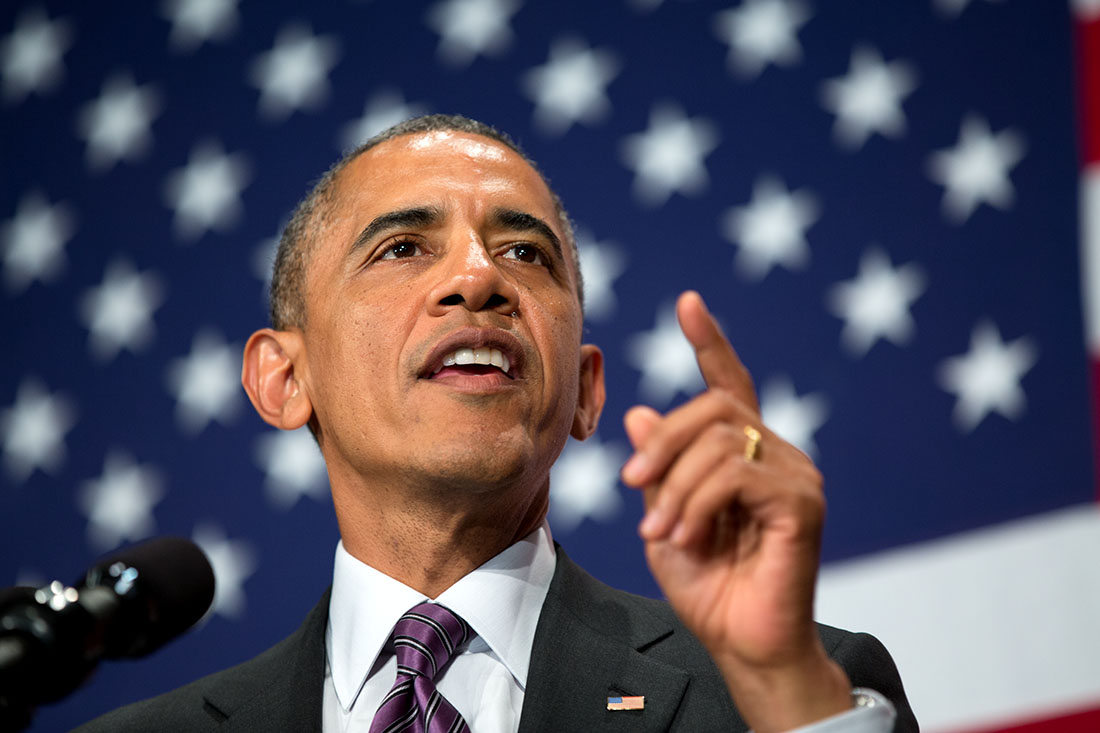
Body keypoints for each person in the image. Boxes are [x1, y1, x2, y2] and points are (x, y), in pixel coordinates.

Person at [78, 115, 916, 732]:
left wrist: (781, 687)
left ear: (586, 391)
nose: (477, 278)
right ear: (285, 378)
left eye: (525, 253)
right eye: (402, 247)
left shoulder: (795, 692)